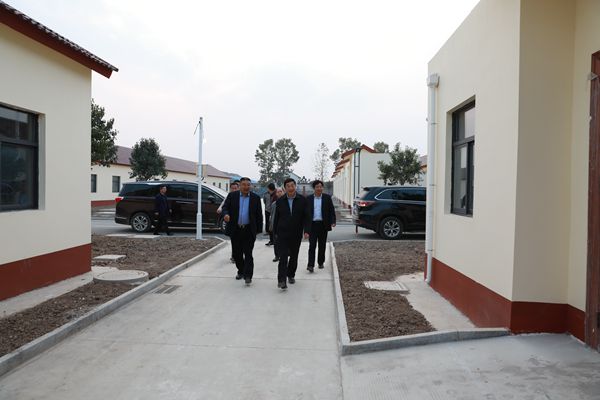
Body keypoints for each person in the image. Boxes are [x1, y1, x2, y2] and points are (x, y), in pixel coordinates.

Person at [222, 177, 263, 285]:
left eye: (248, 185)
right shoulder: (232, 196)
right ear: (239, 186)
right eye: (244, 184)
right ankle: (241, 270)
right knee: (237, 254)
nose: (246, 187)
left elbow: (259, 215)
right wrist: (226, 214)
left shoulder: (255, 198)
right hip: (236, 229)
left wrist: (258, 230)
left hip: (249, 230)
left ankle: (248, 276)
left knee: (248, 253)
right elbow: (225, 207)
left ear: (251, 186)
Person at [272, 178, 310, 290]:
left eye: (292, 185)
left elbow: (307, 217)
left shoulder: (302, 200)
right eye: (288, 186)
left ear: (295, 186)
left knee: (294, 256)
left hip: (296, 233)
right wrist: (275, 232)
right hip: (283, 233)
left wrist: (307, 231)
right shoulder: (280, 201)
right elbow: (276, 218)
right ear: (285, 188)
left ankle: (291, 275)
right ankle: (281, 280)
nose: (290, 188)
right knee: (283, 257)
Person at [305, 180, 336, 272]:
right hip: (312, 225)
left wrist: (333, 221)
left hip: (323, 225)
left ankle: (320, 262)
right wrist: (305, 228)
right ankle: (310, 265)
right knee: (312, 246)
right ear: (314, 188)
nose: (319, 188)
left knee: (322, 246)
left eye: (320, 187)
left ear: (322, 188)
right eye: (317, 187)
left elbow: (331, 210)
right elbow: (305, 214)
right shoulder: (309, 199)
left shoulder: (327, 198)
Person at [218, 181, 240, 263]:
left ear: (238, 188)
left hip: (241, 222)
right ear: (230, 189)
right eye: (232, 188)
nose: (234, 190)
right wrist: (221, 210)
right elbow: (224, 204)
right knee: (234, 241)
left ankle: (239, 255)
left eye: (235, 188)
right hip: (232, 222)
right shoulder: (229, 196)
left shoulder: (242, 196)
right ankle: (234, 256)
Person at [269, 187, 284, 262]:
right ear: (276, 194)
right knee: (276, 241)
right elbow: (271, 215)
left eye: (281, 191)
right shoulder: (274, 204)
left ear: (283, 192)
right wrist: (271, 225)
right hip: (275, 225)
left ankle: (284, 255)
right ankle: (277, 255)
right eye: (278, 192)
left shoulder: (286, 203)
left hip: (284, 225)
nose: (279, 193)